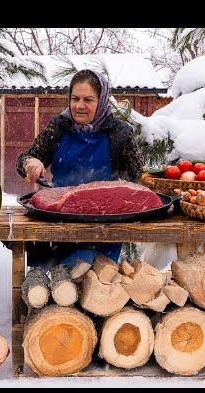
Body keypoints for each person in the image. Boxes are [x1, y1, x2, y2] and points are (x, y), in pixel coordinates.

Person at [16, 69, 145, 269]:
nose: (79, 106)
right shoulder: (58, 126)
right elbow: (24, 159)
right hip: (58, 223)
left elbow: (139, 177)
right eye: (75, 98)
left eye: (88, 100)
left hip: (102, 230)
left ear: (101, 101)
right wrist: (31, 163)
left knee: (94, 290)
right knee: (46, 290)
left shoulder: (120, 133)